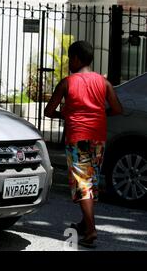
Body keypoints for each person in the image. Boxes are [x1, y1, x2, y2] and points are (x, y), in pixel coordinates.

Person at [44, 40, 123, 248]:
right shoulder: (103, 82)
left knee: (82, 183)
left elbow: (48, 111)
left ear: (77, 59)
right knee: (90, 179)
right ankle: (83, 223)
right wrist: (98, 113)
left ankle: (90, 231)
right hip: (98, 137)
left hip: (78, 138)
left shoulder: (67, 82)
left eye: (71, 58)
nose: (70, 62)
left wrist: (67, 115)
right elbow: (117, 109)